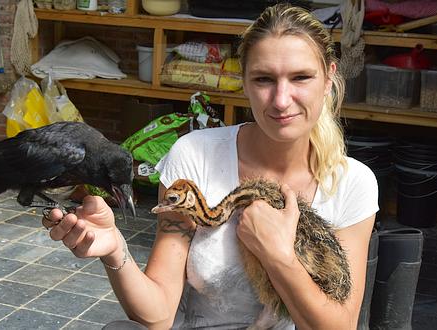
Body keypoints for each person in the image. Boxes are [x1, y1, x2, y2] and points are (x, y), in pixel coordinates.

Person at [43, 4, 378, 329]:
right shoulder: (195, 155)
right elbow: (157, 317)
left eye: (301, 77)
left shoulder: (353, 184)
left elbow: (339, 325)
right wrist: (116, 250)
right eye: (263, 79)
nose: (280, 99)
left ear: (329, 77)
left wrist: (278, 256)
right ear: (243, 82)